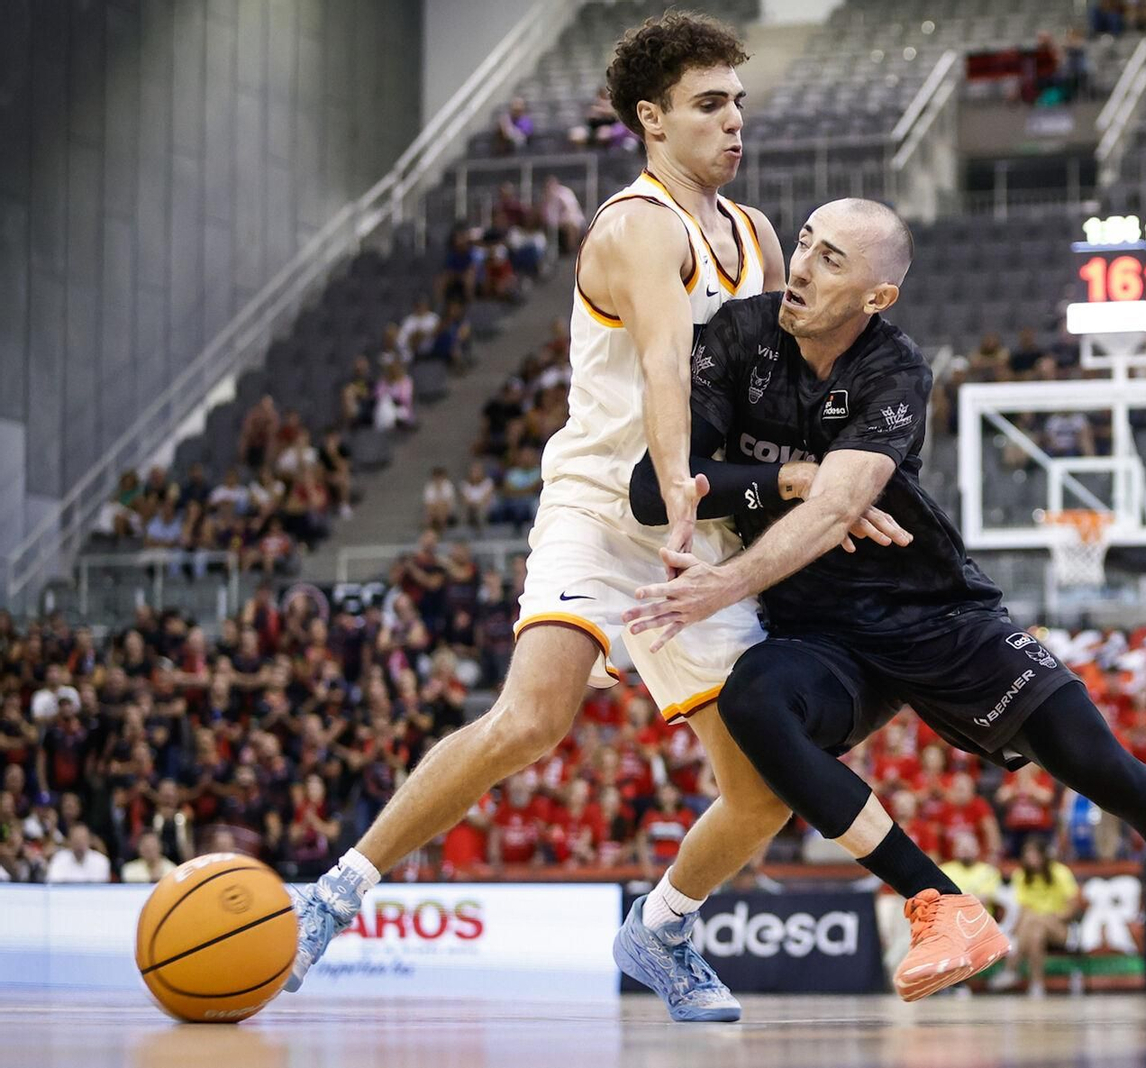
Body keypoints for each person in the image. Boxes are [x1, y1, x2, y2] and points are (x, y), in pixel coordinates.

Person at [627, 199, 1146, 1020]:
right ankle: (938, 903)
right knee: (754, 702)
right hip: (820, 633)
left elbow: (839, 507)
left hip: (934, 611)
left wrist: (732, 569)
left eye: (832, 259)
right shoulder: (739, 336)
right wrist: (790, 478)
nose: (800, 268)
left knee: (1104, 767)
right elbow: (655, 490)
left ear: (877, 296)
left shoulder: (894, 371)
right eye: (804, 243)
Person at [285, 12, 810, 1026]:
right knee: (531, 718)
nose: (733, 121)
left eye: (737, 103)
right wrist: (678, 488)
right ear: (652, 120)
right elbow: (663, 364)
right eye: (709, 104)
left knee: (765, 789)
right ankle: (336, 893)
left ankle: (662, 929)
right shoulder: (636, 226)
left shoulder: (755, 235)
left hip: (703, 527)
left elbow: (777, 390)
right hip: (606, 510)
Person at [990, 836, 1080, 998]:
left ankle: (1011, 969)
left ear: (1043, 855)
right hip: (1034, 927)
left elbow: (1073, 905)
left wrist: (1054, 917)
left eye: (1034, 854)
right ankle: (1037, 985)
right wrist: (1016, 930)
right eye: (1027, 854)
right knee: (1036, 932)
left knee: (1034, 919)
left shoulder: (1060, 872)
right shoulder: (1021, 875)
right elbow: (1023, 908)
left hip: (1060, 927)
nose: (1030, 858)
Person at [45, 823, 111, 884]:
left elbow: (100, 888)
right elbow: (53, 885)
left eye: (83, 839)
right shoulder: (58, 859)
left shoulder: (101, 861)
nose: (80, 844)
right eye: (76, 840)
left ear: (89, 841)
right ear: (70, 841)